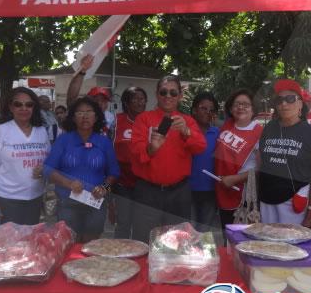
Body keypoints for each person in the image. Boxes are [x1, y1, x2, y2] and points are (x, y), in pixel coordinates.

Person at [130, 75, 206, 242]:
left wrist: (186, 132)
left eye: (173, 93)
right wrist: (151, 149)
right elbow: (135, 151)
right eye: (163, 92)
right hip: (148, 191)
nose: (168, 97)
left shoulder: (187, 121)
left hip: (179, 192)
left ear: (180, 96)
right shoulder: (144, 119)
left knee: (177, 243)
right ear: (157, 94)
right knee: (144, 240)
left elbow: (200, 147)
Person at [44, 97, 119, 242]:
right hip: (68, 202)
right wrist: (68, 183)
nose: (84, 116)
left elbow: (114, 173)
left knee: (91, 246)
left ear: (96, 117)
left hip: (95, 202)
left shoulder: (104, 142)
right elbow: (47, 169)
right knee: (70, 243)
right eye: (79, 112)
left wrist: (104, 187)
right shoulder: (63, 140)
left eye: (89, 112)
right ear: (73, 117)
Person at [258, 80, 311, 228]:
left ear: (300, 104)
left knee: (291, 248)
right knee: (267, 245)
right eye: (279, 100)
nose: (284, 104)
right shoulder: (269, 128)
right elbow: (261, 163)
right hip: (266, 200)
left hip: (293, 202)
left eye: (290, 99)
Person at [0, 87, 50, 225]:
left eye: (29, 104)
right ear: (10, 107)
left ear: (34, 107)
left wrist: (44, 169)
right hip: (7, 199)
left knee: (30, 241)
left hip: (35, 198)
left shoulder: (42, 131)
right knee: (10, 243)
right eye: (18, 104)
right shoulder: (1, 130)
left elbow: (49, 160)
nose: (23, 108)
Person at [214, 89, 262, 231]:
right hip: (221, 189)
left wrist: (235, 179)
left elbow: (261, 169)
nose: (240, 107)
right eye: (236, 104)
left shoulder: (259, 132)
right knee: (226, 236)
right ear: (230, 108)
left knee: (240, 239)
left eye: (246, 104)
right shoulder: (227, 125)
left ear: (253, 109)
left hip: (242, 195)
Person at [111, 86, 147, 238]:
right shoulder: (116, 121)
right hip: (122, 184)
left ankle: (141, 259)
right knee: (123, 223)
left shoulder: (150, 121)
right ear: (126, 102)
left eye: (142, 99)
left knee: (142, 224)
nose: (140, 102)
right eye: (135, 99)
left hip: (144, 184)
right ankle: (120, 257)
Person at [189, 92, 220, 231]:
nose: (208, 112)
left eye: (211, 110)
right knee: (188, 232)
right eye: (203, 108)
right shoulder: (186, 131)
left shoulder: (218, 133)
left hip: (210, 191)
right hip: (187, 190)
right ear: (194, 110)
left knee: (204, 233)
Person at [66, 55, 115, 133]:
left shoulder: (111, 118)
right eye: (97, 100)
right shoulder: (81, 115)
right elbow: (71, 99)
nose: (100, 103)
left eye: (104, 101)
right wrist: (82, 71)